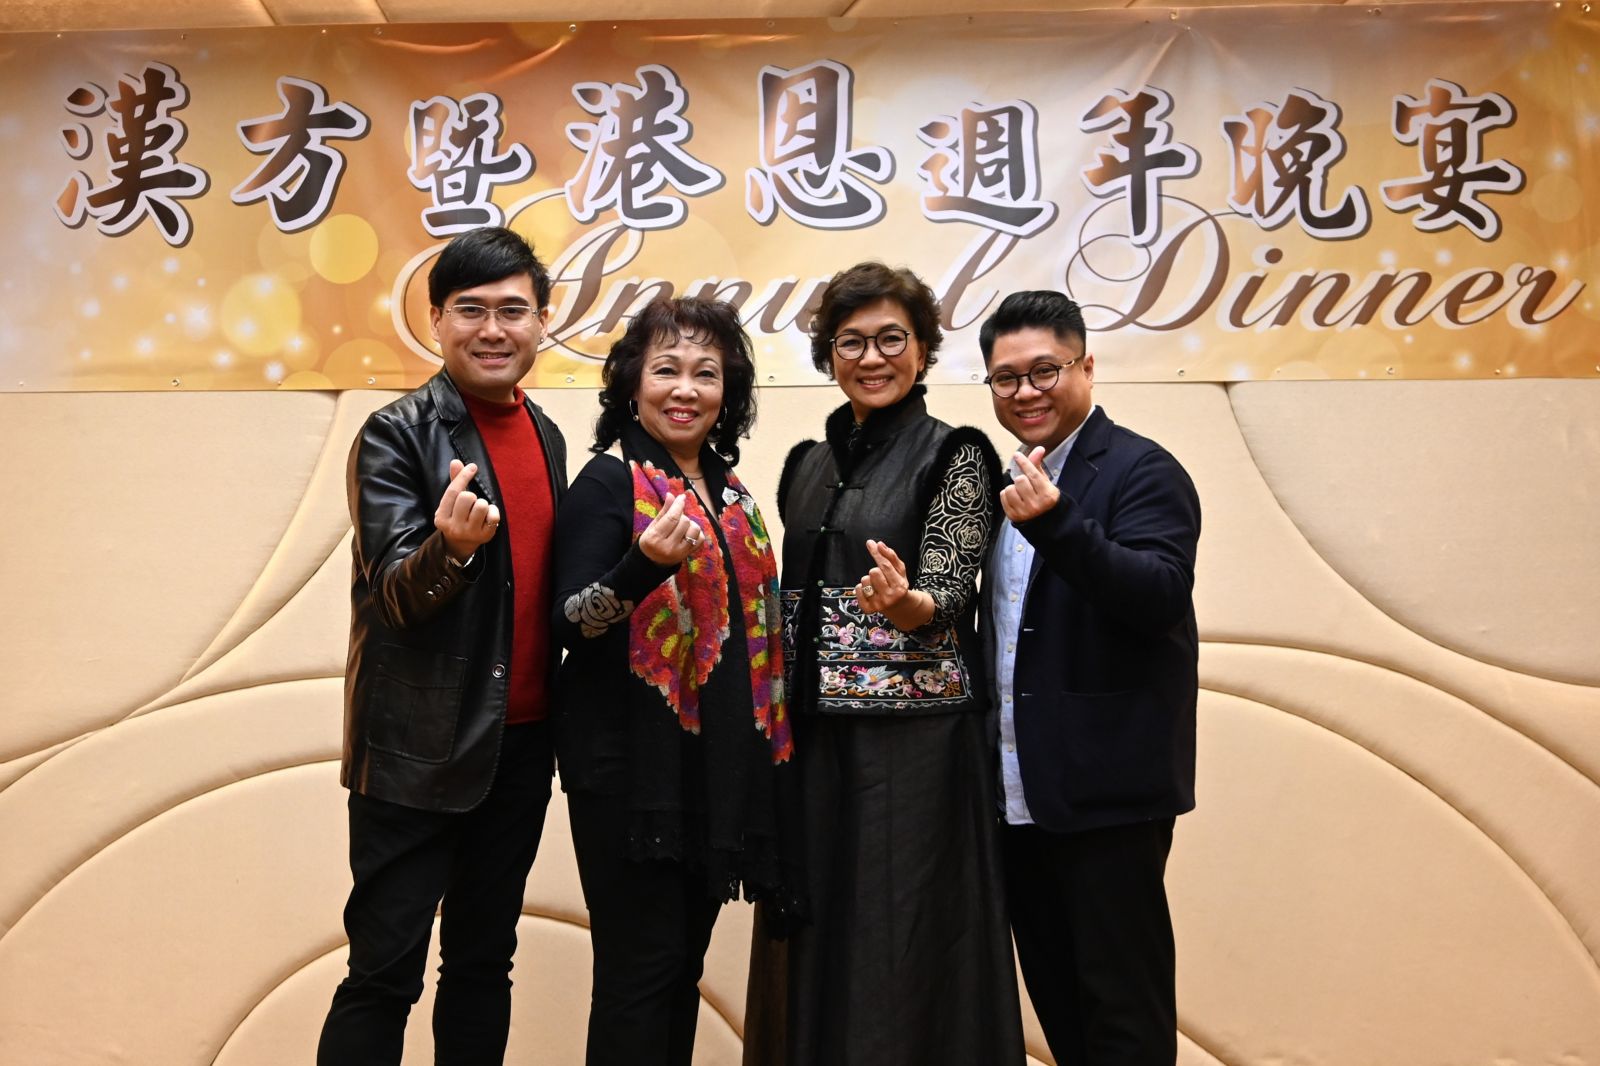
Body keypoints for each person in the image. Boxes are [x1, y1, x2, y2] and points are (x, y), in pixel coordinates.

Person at [744, 262, 1025, 1066]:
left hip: (916, 757)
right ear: (829, 355)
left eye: (891, 339)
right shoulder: (805, 462)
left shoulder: (958, 453)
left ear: (924, 349)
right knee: (815, 933)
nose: (872, 358)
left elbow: (948, 587)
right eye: (851, 342)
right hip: (811, 747)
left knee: (901, 945)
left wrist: (906, 605)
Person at [318, 226, 567, 1066]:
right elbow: (395, 593)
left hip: (519, 749)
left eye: (513, 311)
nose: (492, 330)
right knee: (382, 974)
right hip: (413, 751)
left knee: (482, 966)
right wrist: (451, 550)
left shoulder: (547, 434)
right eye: (470, 310)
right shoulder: (395, 433)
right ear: (435, 321)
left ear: (543, 322)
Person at [550, 296, 797, 1066]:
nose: (685, 389)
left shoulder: (731, 492)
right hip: (629, 775)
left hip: (712, 772)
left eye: (706, 373)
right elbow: (569, 622)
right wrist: (642, 566)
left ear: (729, 392)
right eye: (666, 370)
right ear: (632, 383)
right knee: (640, 973)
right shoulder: (607, 483)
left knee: (681, 968)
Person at [979, 290, 1201, 1066]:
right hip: (1019, 795)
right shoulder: (1004, 482)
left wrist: (1057, 524)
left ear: (1086, 367)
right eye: (1006, 378)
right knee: (1064, 1014)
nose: (1026, 391)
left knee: (1123, 1017)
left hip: (1109, 796)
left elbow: (1159, 596)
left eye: (1044, 370)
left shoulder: (1142, 470)